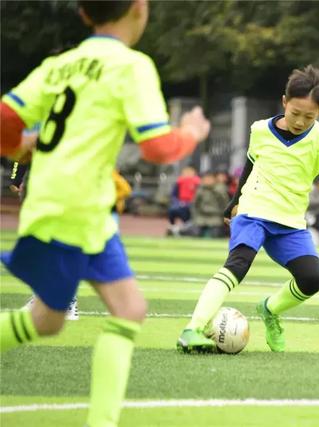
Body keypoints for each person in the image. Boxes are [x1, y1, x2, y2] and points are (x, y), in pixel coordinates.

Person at [0, 2, 211, 427]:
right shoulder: (132, 66)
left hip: (80, 209)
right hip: (74, 209)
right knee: (54, 319)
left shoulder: (59, 64)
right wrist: (191, 132)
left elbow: (6, 116)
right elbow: (156, 147)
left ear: (83, 14)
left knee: (109, 311)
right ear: (139, 9)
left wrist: (18, 146)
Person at [177, 65, 319, 354]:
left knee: (312, 279)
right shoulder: (260, 129)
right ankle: (193, 329)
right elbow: (250, 165)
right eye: (295, 113)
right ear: (284, 102)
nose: (300, 121)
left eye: (309, 116)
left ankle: (270, 310)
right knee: (238, 264)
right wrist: (234, 201)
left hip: (289, 221)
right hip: (254, 211)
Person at [191, 170, 229, 238]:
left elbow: (224, 204)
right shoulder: (200, 190)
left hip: (215, 217)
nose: (207, 181)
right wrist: (195, 217)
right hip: (201, 217)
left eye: (210, 178)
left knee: (216, 234)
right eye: (205, 179)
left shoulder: (220, 189)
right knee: (196, 233)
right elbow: (195, 205)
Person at [166, 165, 200, 236]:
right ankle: (173, 227)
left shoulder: (197, 183)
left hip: (191, 204)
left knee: (185, 210)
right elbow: (174, 195)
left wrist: (190, 203)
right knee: (172, 210)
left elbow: (198, 196)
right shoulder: (179, 182)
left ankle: (185, 228)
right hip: (180, 202)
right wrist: (177, 202)